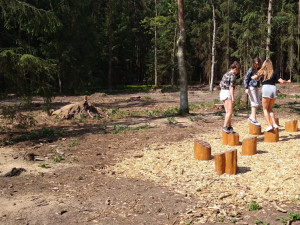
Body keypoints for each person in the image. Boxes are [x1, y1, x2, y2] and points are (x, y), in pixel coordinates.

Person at [251, 58, 291, 132]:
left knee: (265, 109)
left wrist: (252, 76)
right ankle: (274, 124)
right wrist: (287, 81)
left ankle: (269, 125)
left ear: (264, 65)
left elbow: (253, 77)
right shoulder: (274, 72)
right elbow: (282, 81)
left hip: (266, 89)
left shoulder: (262, 71)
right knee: (270, 109)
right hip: (273, 89)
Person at [219, 61, 241, 133]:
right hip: (227, 93)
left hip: (222, 92)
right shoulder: (232, 75)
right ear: (235, 69)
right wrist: (233, 97)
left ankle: (229, 126)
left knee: (227, 111)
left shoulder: (225, 74)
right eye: (238, 70)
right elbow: (231, 87)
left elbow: (220, 85)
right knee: (230, 112)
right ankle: (225, 126)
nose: (238, 72)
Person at [244, 58, 262, 126]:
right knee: (254, 103)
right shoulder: (251, 69)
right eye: (256, 64)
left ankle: (251, 117)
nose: (257, 65)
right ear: (254, 63)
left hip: (256, 87)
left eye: (258, 64)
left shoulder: (260, 70)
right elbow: (246, 78)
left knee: (258, 103)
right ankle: (253, 119)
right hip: (251, 87)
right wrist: (246, 88)